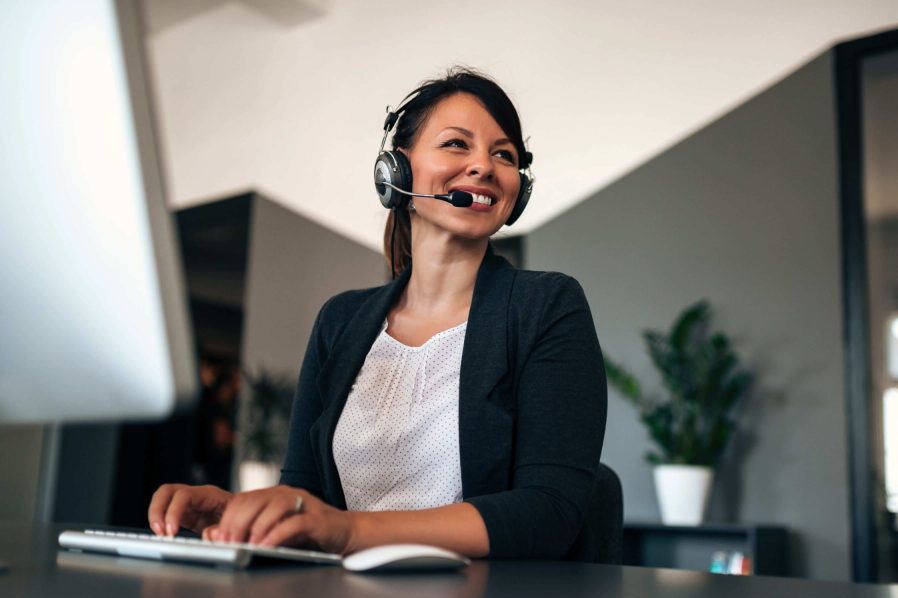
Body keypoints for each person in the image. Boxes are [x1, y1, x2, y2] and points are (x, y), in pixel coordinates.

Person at [148, 67, 607, 559]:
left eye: (504, 154)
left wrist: (349, 531)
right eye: (457, 144)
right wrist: (245, 513)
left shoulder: (547, 306)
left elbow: (548, 512)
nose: (483, 166)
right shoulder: (340, 321)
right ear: (397, 169)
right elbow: (307, 494)